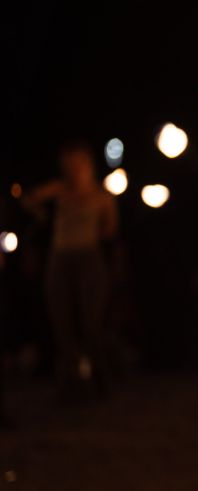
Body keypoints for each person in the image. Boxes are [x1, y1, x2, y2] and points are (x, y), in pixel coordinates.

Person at [25, 141, 119, 399]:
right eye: (70, 165)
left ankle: (100, 377)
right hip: (60, 258)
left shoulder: (102, 196)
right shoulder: (59, 189)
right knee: (61, 321)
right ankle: (70, 380)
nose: (75, 171)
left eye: (79, 164)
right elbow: (29, 199)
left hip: (88, 258)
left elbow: (110, 230)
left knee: (91, 321)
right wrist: (41, 215)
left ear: (88, 165)